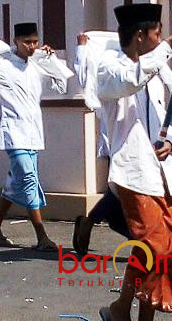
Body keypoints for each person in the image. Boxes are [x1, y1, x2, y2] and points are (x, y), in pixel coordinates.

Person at [95, 4, 172, 321]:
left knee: (162, 248)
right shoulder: (109, 67)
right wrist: (169, 46)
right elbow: (131, 79)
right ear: (140, 35)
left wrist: (170, 140)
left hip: (160, 173)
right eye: (157, 33)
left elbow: (164, 117)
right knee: (154, 247)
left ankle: (122, 309)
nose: (162, 38)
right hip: (133, 172)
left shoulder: (154, 70)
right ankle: (130, 313)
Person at [0, 22, 73, 251]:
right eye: (26, 42)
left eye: (34, 42)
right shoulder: (3, 65)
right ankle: (42, 235)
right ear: (16, 42)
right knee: (28, 180)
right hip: (14, 133)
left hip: (33, 133)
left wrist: (51, 60)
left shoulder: (36, 66)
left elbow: (61, 86)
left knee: (17, 181)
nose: (31, 46)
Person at [72, 32, 130, 257]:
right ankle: (94, 222)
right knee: (120, 188)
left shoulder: (140, 63)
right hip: (117, 136)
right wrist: (83, 50)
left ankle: (94, 222)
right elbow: (86, 78)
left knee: (120, 191)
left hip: (136, 137)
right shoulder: (108, 64)